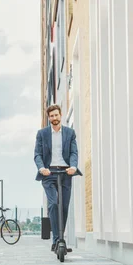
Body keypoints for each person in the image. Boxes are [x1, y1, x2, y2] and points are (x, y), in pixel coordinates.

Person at [34, 104, 82, 252]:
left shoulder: (69, 133)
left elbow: (74, 152)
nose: (54, 118)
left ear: (60, 115)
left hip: (65, 172)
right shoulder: (42, 134)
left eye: (56, 115)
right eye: (51, 116)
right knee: (54, 203)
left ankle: (60, 238)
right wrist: (42, 168)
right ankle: (57, 239)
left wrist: (73, 166)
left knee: (65, 206)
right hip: (49, 174)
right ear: (49, 118)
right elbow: (37, 154)